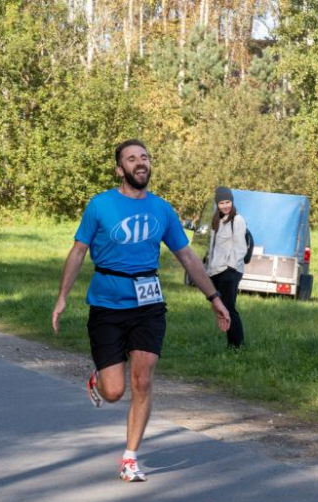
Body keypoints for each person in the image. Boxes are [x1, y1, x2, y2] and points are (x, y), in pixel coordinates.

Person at [51, 139, 231, 483]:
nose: (140, 163)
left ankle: (130, 458)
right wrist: (62, 297)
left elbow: (187, 256)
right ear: (120, 169)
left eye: (144, 157)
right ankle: (99, 380)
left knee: (143, 380)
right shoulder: (100, 205)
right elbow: (78, 252)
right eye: (132, 158)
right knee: (114, 391)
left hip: (148, 304)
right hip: (106, 304)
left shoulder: (162, 209)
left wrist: (214, 297)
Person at [207, 186, 247, 349]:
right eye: (221, 203)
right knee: (222, 308)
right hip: (216, 270)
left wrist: (231, 268)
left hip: (230, 271)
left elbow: (241, 247)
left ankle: (237, 345)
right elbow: (213, 248)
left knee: (229, 307)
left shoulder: (237, 220)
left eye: (228, 202)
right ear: (217, 204)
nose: (225, 206)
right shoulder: (216, 221)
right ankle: (231, 344)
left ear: (232, 202)